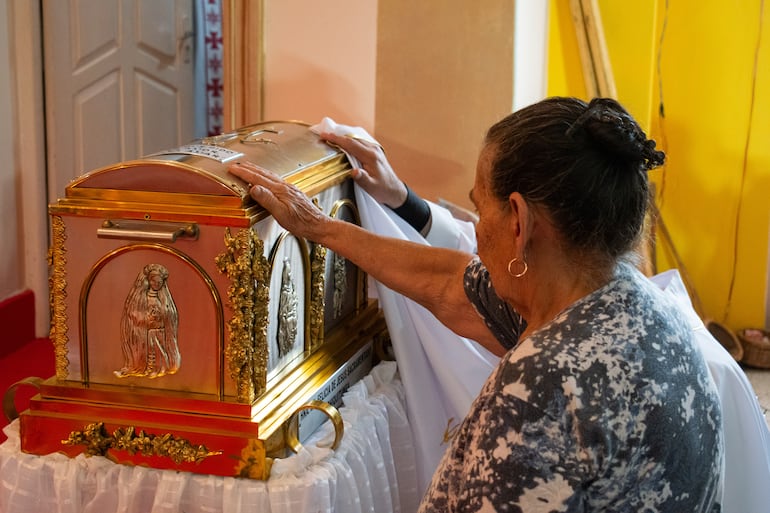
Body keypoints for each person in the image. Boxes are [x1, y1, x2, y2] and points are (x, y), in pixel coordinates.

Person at [230, 97, 723, 512]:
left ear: (518, 222)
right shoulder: (631, 302)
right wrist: (321, 228)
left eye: (479, 204)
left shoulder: (541, 388)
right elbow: (449, 283)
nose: (474, 229)